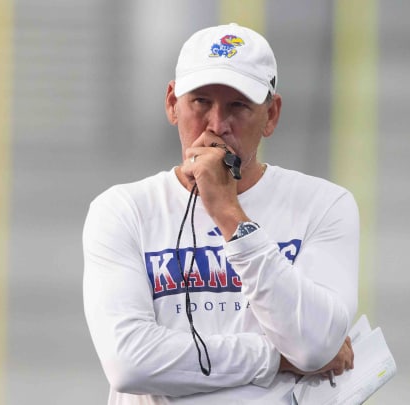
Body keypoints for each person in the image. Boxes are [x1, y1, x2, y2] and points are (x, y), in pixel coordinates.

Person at [83, 23, 358, 404]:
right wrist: (275, 358)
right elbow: (130, 362)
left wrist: (229, 213)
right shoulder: (122, 209)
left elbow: (314, 347)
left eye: (238, 106)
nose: (216, 124)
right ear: (171, 103)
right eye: (200, 102)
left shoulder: (324, 205)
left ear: (272, 115)